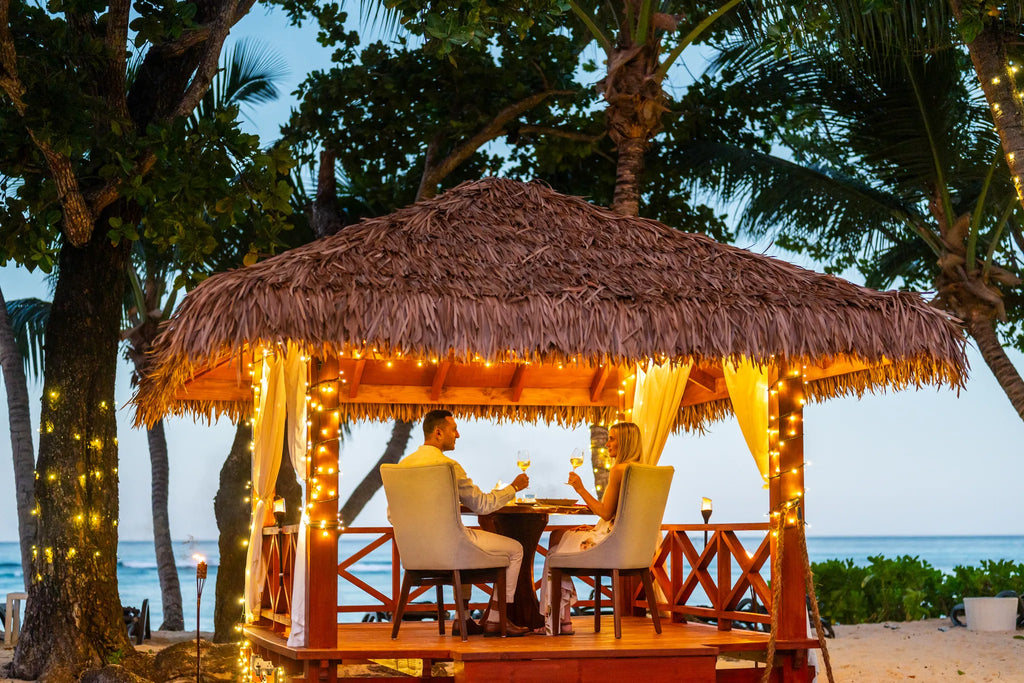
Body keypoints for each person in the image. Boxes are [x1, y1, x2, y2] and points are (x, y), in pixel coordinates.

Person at [400, 409, 532, 637]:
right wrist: (514, 487)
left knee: (461, 541)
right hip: (451, 550)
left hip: (416, 553)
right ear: (438, 432)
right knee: (515, 549)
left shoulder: (402, 466)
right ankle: (497, 618)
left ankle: (463, 619)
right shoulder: (448, 466)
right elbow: (482, 505)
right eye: (454, 430)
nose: (458, 435)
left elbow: (393, 514)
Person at [538, 421, 644, 635]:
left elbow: (605, 511)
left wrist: (580, 489)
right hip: (631, 545)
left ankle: (556, 620)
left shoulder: (618, 470)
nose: (606, 444)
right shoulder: (642, 472)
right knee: (559, 539)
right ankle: (562, 620)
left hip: (609, 547)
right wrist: (598, 527)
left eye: (612, 439)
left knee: (556, 540)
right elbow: (624, 513)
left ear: (625, 442)